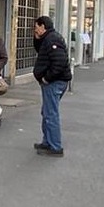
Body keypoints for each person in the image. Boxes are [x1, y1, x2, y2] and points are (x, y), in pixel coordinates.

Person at [32, 15, 72, 156]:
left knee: (50, 114)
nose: (35, 30)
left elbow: (59, 62)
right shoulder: (48, 38)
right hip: (54, 82)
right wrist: (37, 38)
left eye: (36, 27)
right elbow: (40, 51)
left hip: (54, 82)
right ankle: (47, 142)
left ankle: (55, 146)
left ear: (43, 26)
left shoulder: (52, 39)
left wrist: (47, 78)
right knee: (47, 112)